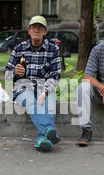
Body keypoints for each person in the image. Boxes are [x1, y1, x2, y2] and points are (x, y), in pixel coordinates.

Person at [5, 16, 62, 151]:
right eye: (34, 27)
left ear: (45, 32)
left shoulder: (53, 50)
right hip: (23, 88)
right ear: (29, 30)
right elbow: (7, 74)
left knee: (50, 105)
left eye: (40, 28)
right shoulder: (19, 49)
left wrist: (45, 92)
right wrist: (15, 72)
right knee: (30, 100)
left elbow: (56, 75)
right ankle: (50, 130)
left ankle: (42, 139)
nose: (37, 30)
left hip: (45, 87)